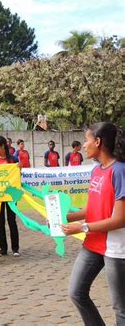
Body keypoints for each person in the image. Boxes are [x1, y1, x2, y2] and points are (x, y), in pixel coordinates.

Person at [61, 122, 124, 325]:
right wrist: (65, 217)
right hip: (93, 243)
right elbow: (93, 208)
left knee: (120, 308)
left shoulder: (120, 171)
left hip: (116, 248)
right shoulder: (97, 170)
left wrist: (82, 228)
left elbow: (120, 219)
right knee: (76, 292)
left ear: (98, 142)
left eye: (87, 139)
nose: (84, 144)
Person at [0, 136, 20, 257]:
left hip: (11, 195)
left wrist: (19, 168)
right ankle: (3, 248)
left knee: (12, 221)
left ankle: (15, 248)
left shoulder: (13, 159)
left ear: (2, 146)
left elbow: (17, 176)